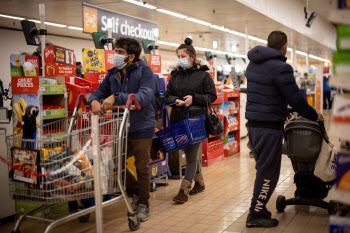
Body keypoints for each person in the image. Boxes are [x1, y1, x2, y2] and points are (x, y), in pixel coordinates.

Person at [245, 31, 324, 228]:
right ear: (285, 46)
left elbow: (267, 94)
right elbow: (295, 98)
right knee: (269, 172)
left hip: (254, 125)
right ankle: (255, 215)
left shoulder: (253, 64)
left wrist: (282, 109)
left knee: (263, 169)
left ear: (267, 44)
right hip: (268, 128)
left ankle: (259, 207)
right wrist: (314, 115)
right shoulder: (281, 67)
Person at [88, 37, 156, 222]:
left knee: (142, 167)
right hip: (121, 127)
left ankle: (144, 203)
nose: (115, 55)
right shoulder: (112, 73)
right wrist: (94, 100)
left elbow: (145, 96)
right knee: (115, 163)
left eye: (119, 52)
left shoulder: (145, 71)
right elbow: (97, 92)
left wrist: (116, 96)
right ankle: (135, 192)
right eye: (115, 51)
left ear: (131, 56)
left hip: (142, 126)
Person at [165, 38, 217, 204]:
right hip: (179, 120)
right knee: (188, 154)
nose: (181, 58)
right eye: (178, 55)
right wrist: (177, 100)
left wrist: (193, 99)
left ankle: (184, 190)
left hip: (196, 120)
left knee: (191, 155)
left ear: (192, 57)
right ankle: (200, 183)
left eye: (183, 55)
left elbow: (212, 96)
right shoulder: (174, 76)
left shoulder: (203, 76)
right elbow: (166, 97)